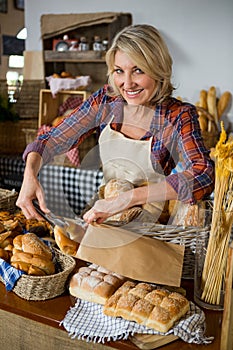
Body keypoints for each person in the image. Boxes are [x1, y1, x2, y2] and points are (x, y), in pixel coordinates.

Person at [16, 24, 214, 224]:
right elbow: (52, 139)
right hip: (103, 214)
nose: (127, 84)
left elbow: (203, 173)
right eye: (119, 71)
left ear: (158, 70)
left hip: (151, 225)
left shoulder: (178, 115)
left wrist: (127, 199)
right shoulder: (106, 101)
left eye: (138, 71)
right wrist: (30, 173)